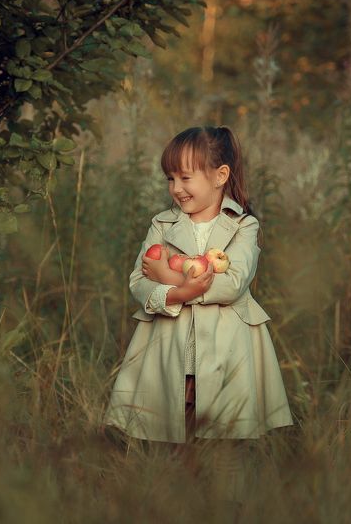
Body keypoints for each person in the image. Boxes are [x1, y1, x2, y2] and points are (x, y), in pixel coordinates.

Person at [103, 126, 294, 502]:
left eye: (186, 177)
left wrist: (173, 282)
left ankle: (226, 508)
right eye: (170, 178)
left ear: (220, 176)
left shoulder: (243, 225)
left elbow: (231, 283)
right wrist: (179, 289)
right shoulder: (162, 224)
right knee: (168, 441)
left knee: (225, 451)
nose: (176, 188)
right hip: (169, 348)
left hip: (225, 353)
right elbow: (138, 283)